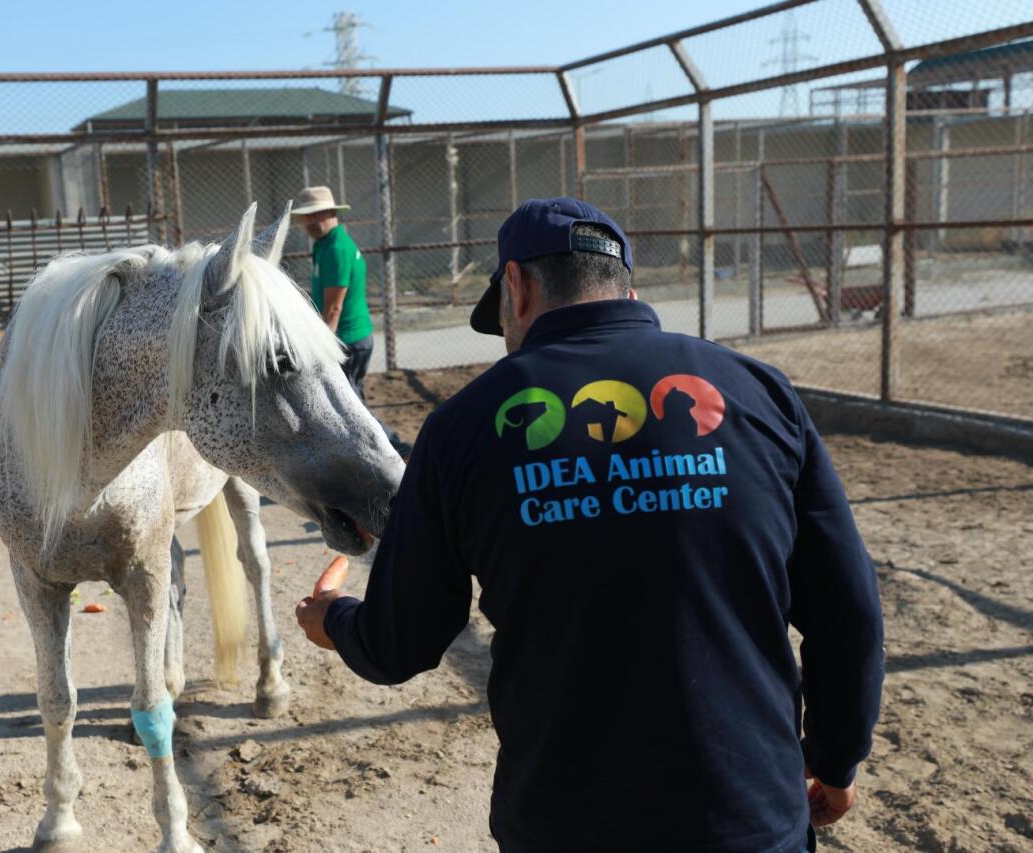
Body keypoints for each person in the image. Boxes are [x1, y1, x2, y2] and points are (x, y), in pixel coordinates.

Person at [296, 197, 885, 852]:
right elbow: (849, 614)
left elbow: (401, 642)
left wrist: (334, 619)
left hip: (563, 824)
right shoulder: (760, 393)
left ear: (516, 287)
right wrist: (835, 758)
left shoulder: (460, 429)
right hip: (751, 816)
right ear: (627, 288)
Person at [292, 185, 411, 456]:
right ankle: (387, 449)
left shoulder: (336, 249)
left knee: (351, 408)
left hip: (347, 340)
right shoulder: (324, 245)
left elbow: (334, 307)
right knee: (351, 403)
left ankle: (396, 449)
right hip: (348, 338)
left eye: (317, 214)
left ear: (332, 213)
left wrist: (323, 347)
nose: (311, 221)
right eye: (306, 216)